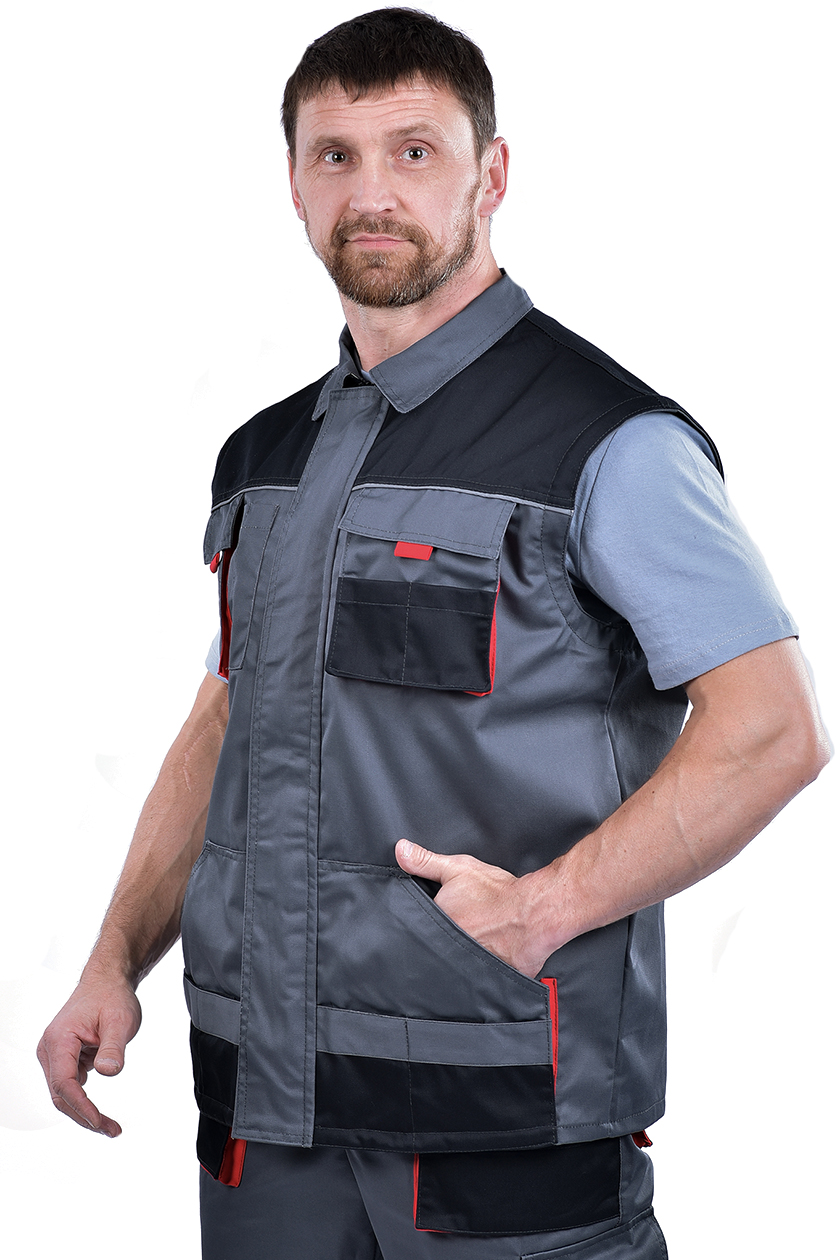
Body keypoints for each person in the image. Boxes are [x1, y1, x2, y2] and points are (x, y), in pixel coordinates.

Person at [37, 8, 828, 1258]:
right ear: (294, 184)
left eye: (414, 151)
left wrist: (548, 908)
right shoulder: (263, 457)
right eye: (335, 155)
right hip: (261, 1124)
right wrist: (111, 961)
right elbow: (226, 722)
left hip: (499, 1131)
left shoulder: (608, 443)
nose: (372, 193)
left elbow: (774, 729)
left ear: (491, 174)